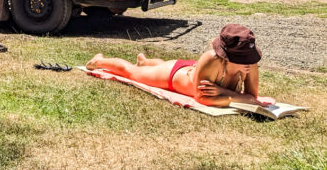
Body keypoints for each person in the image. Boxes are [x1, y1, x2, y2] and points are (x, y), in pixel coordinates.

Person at [85, 24, 265, 107]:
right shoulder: (211, 59)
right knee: (131, 72)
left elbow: (252, 96)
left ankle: (145, 62)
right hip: (174, 76)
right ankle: (98, 61)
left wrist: (222, 92)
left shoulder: (249, 62)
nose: (248, 63)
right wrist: (237, 97)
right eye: (242, 59)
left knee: (154, 67)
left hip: (192, 70)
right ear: (227, 57)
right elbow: (202, 98)